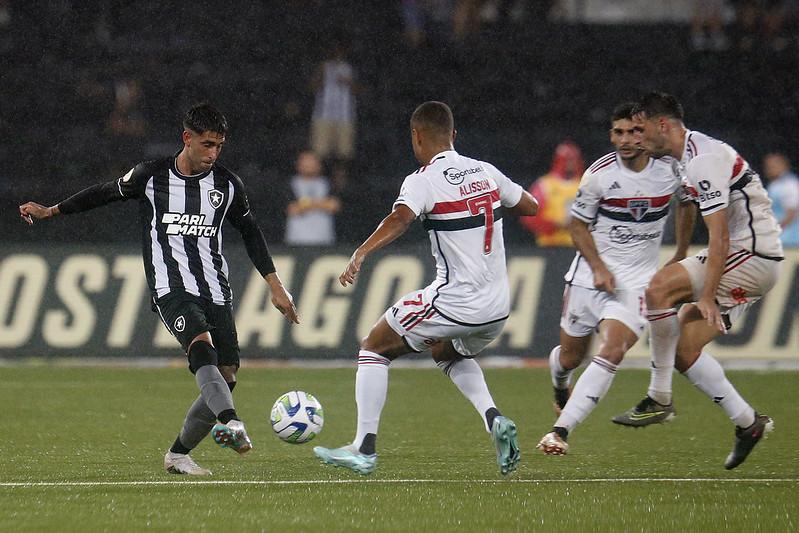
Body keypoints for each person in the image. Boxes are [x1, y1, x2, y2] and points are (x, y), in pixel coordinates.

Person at [19, 103, 299, 476]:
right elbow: (103, 193)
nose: (213, 153)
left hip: (216, 288)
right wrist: (52, 211)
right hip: (170, 287)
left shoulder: (228, 185)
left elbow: (250, 231)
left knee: (227, 374)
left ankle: (178, 455)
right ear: (187, 139)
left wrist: (275, 284)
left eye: (219, 146)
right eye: (207, 144)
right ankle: (230, 423)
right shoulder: (150, 176)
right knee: (202, 349)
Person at [312, 101, 538, 475]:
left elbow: (401, 217)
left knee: (374, 347)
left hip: (455, 302)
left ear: (416, 136)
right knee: (445, 351)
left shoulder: (422, 179)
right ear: (454, 134)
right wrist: (483, 202)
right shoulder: (486, 171)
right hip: (497, 307)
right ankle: (493, 417)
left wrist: (361, 252)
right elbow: (529, 205)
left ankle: (363, 448)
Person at [611, 92, 782, 470]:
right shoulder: (684, 156)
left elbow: (719, 235)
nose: (636, 139)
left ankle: (658, 397)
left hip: (753, 254)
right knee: (683, 349)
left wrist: (705, 296)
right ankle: (748, 422)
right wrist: (680, 251)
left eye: (640, 130)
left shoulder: (703, 160)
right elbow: (686, 203)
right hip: (748, 256)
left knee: (657, 290)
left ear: (663, 125)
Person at [536, 102, 688, 456]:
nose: (626, 140)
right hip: (588, 279)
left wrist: (681, 251)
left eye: (634, 131)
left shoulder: (671, 169)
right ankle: (560, 383)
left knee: (613, 349)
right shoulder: (598, 175)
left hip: (636, 283)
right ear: (611, 135)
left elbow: (688, 202)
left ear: (648, 130)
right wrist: (600, 267)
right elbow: (577, 225)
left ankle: (560, 432)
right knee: (571, 358)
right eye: (618, 132)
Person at [520, 141, 584, 247]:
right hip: (550, 245)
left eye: (574, 160)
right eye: (568, 160)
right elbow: (529, 216)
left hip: (577, 246)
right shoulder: (545, 185)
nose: (571, 164)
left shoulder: (584, 184)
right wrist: (555, 225)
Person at [284, 150, 341, 245]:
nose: (309, 165)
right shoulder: (290, 184)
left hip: (324, 239)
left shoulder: (328, 183)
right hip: (296, 239)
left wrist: (305, 204)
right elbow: (292, 209)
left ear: (319, 164)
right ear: (298, 165)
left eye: (312, 162)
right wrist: (321, 203)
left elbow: (334, 206)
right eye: (305, 162)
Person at [763, 152, 799, 247]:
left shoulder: (790, 184)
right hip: (779, 238)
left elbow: (792, 213)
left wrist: (774, 231)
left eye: (774, 165)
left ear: (784, 165)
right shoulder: (774, 184)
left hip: (789, 239)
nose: (770, 169)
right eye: (768, 166)